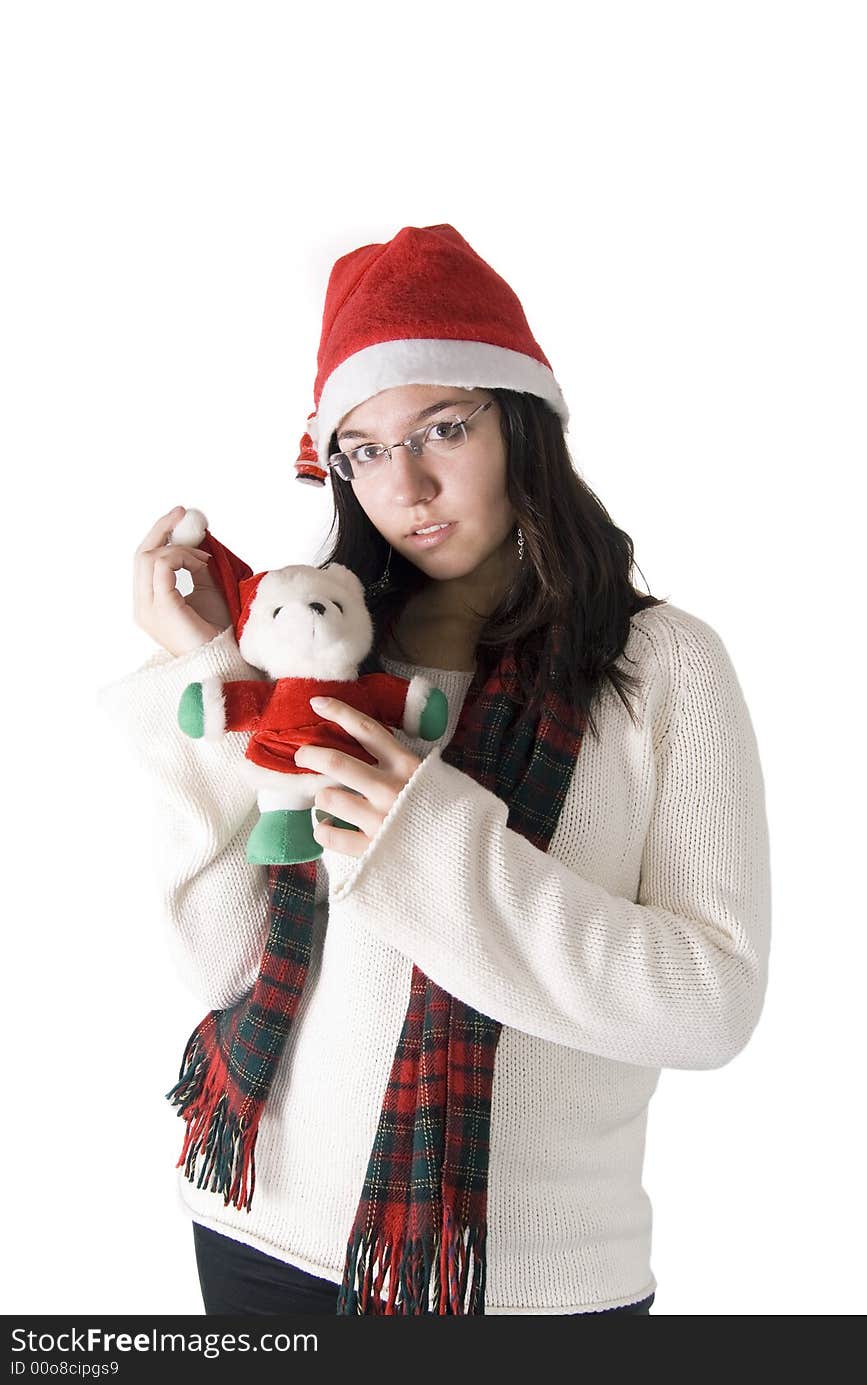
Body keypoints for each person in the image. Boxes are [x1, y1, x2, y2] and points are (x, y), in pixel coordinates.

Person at [98, 223, 771, 1316]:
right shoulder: (331, 649)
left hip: (527, 1281)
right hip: (256, 1222)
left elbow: (711, 1001)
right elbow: (225, 966)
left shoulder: (663, 667)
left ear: (521, 422)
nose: (403, 481)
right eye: (361, 446)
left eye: (441, 427)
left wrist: (432, 840)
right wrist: (207, 672)